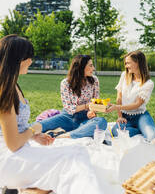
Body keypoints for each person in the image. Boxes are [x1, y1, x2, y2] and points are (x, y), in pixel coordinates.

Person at [0, 35, 108, 194]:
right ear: (18, 59)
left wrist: (34, 136)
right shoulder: (6, 91)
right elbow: (13, 143)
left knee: (78, 152)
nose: (31, 61)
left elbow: (13, 129)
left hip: (20, 148)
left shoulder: (13, 85)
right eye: (29, 57)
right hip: (10, 158)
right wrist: (33, 129)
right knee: (74, 158)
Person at [40, 55, 107, 138]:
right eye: (90, 65)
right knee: (39, 125)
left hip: (85, 118)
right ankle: (79, 131)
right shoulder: (65, 83)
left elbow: (96, 101)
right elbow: (69, 108)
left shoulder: (94, 80)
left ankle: (66, 135)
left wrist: (93, 110)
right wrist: (87, 106)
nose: (93, 68)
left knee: (101, 121)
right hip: (67, 117)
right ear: (81, 67)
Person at [106, 50, 155, 141]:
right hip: (125, 116)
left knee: (151, 136)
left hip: (141, 116)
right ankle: (140, 130)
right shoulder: (124, 76)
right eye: (126, 63)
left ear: (137, 62)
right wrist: (120, 116)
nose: (126, 66)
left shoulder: (148, 83)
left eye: (128, 63)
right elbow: (119, 97)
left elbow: (137, 104)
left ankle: (148, 129)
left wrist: (115, 107)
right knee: (116, 131)